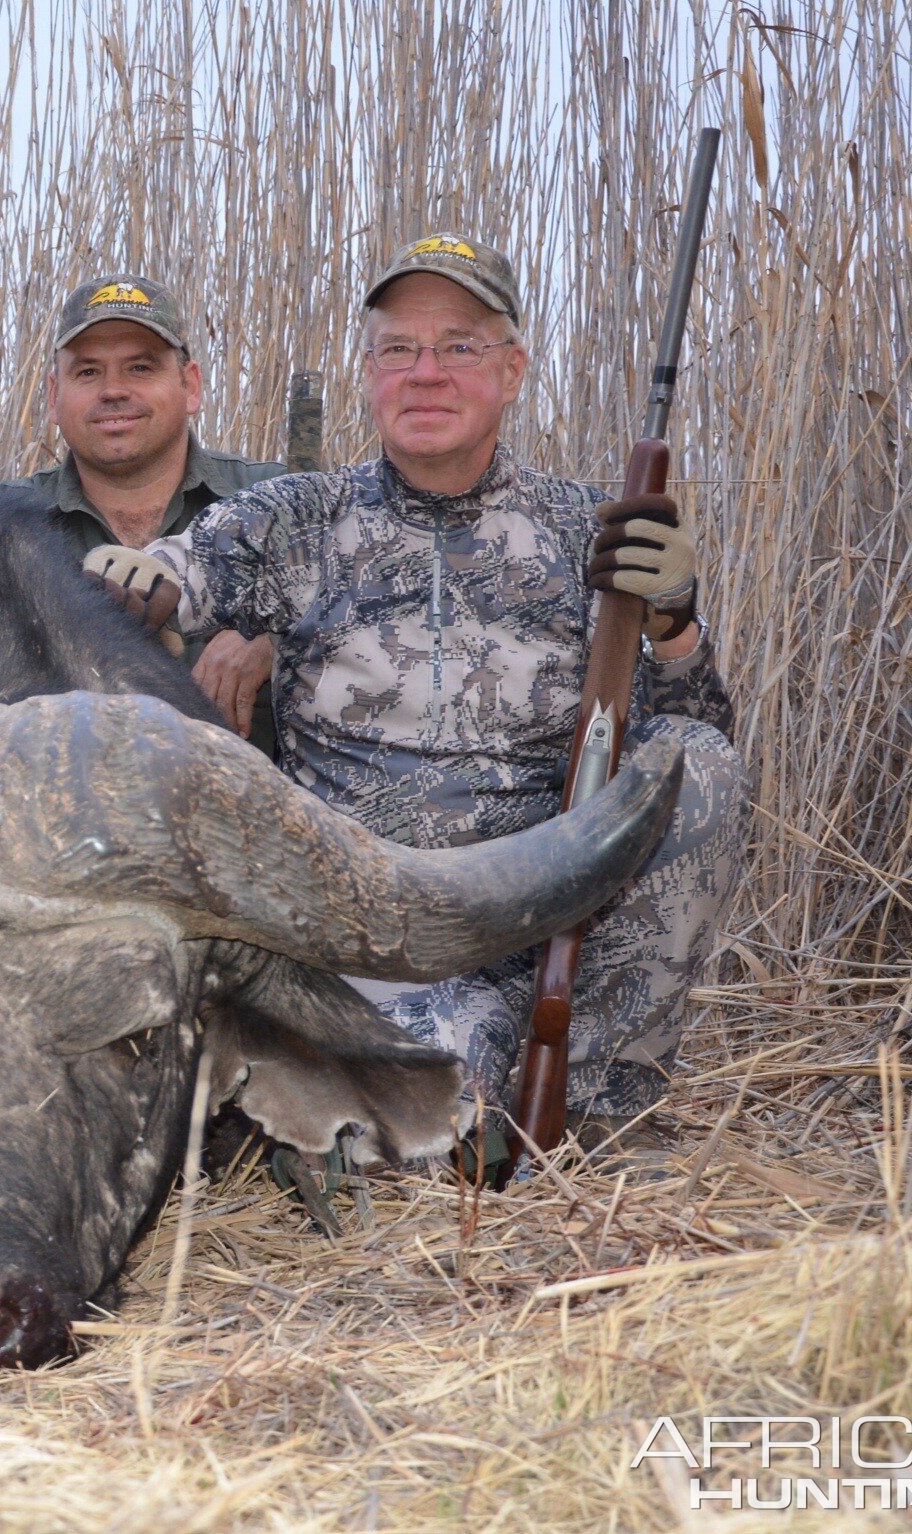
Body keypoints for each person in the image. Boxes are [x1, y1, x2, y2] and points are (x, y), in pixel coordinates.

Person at [101, 233, 752, 1153]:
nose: (426, 373)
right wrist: (131, 577)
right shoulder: (301, 518)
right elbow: (178, 568)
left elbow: (692, 749)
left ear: (514, 370)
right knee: (424, 1101)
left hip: (536, 920)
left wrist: (677, 624)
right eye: (398, 349)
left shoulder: (586, 534)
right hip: (363, 932)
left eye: (459, 346)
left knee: (704, 767)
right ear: (370, 373)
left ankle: (606, 1117)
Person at [11, 273, 288, 757]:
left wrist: (277, 644)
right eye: (88, 372)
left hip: (250, 823)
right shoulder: (0, 530)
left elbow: (392, 615)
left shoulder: (283, 502)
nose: (113, 391)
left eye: (140, 368)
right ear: (55, 396)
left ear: (191, 386)